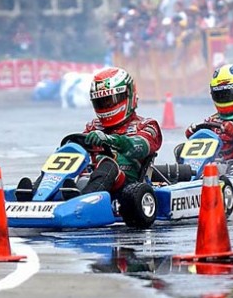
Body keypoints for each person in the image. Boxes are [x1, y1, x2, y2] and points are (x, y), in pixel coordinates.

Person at [16, 67, 162, 201]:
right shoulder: (94, 126)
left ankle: (84, 200)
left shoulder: (146, 125)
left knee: (107, 164)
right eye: (101, 102)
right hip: (88, 177)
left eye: (109, 101)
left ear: (128, 96)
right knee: (63, 156)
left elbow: (140, 147)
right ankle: (35, 194)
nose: (105, 106)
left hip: (125, 186)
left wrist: (111, 140)